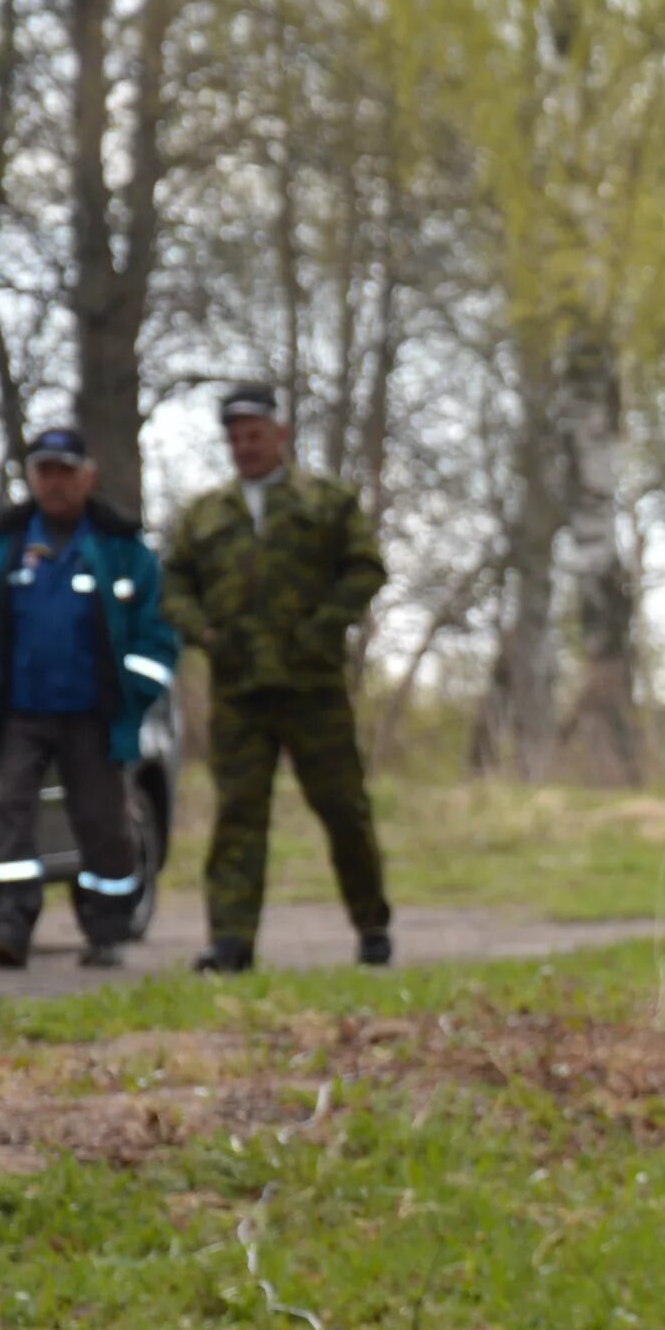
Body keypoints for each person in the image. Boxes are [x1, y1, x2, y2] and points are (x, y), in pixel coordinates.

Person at [159, 384, 392, 973]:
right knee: (239, 813)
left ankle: (371, 926)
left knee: (342, 808)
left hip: (312, 685)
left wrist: (325, 625)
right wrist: (205, 634)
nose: (245, 446)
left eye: (255, 434)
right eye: (234, 438)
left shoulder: (326, 500)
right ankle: (232, 942)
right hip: (239, 689)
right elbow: (174, 586)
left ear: (280, 433)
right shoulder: (205, 513)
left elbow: (366, 567)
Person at [0, 428, 177, 969]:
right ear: (32, 478)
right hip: (18, 714)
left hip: (95, 717)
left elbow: (158, 631)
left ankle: (106, 930)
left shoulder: (122, 548)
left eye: (65, 471)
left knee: (102, 824)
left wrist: (135, 690)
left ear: (87, 476)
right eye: (44, 472)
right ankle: (10, 924)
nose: (54, 483)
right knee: (9, 814)